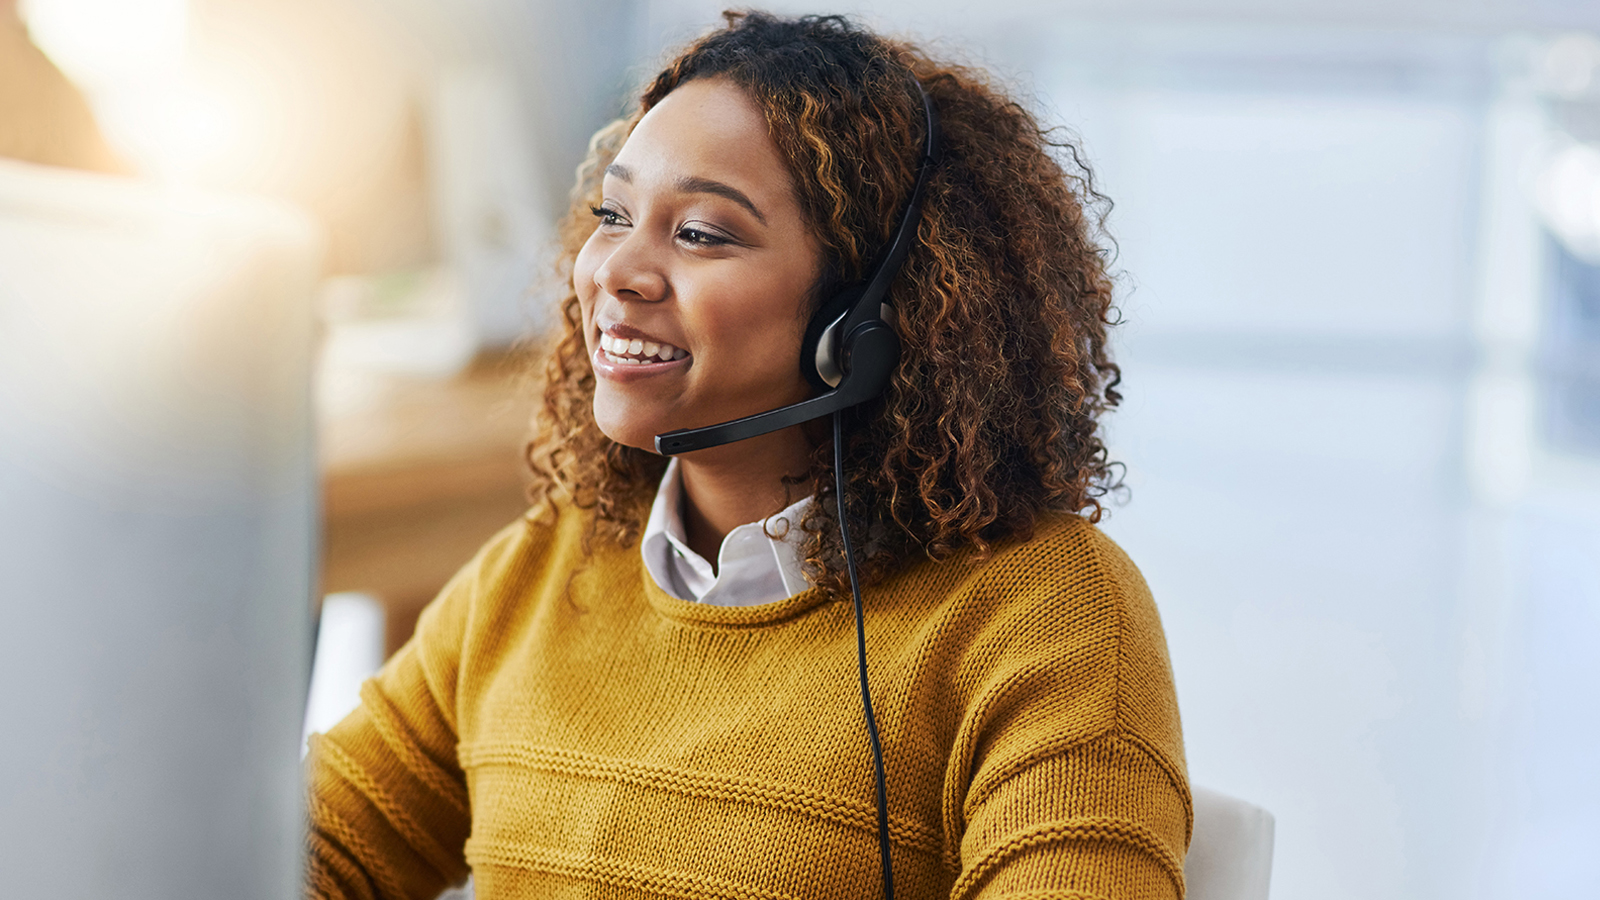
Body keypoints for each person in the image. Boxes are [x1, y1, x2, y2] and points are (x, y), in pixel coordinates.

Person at [305, 11, 1189, 900]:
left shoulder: (1047, 619)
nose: (616, 271)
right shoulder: (541, 571)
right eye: (615, 214)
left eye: (701, 233)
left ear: (869, 319)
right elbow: (306, 853)